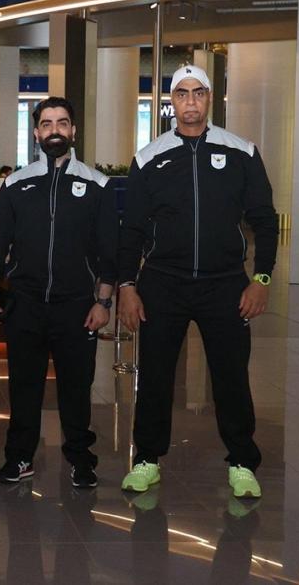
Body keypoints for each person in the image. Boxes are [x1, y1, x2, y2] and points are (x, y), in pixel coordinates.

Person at [118, 65, 278, 499]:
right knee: (154, 376)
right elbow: (131, 230)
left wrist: (261, 278)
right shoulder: (149, 157)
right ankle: (146, 459)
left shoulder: (242, 152)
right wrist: (127, 286)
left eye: (199, 92)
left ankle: (242, 462)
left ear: (210, 98)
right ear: (171, 102)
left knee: (231, 376)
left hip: (225, 285)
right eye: (182, 93)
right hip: (162, 284)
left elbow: (265, 221)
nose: (190, 101)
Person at [0, 96, 117, 487]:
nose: (54, 130)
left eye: (62, 123)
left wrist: (103, 301)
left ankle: (80, 460)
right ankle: (19, 457)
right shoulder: (16, 184)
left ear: (73, 130)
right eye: (47, 124)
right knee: (24, 387)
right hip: (25, 304)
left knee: (77, 388)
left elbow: (109, 250)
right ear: (36, 133)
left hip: (78, 306)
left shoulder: (97, 185)